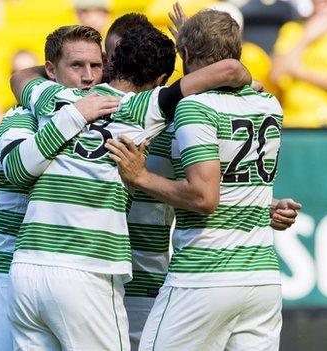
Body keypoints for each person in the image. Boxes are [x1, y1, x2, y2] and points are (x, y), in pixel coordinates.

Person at [7, 22, 254, 349]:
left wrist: (58, 62)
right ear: (158, 81)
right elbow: (229, 69)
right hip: (86, 269)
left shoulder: (57, 96)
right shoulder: (146, 108)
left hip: (26, 270)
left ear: (111, 65)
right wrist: (249, 85)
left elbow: (19, 77)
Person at [105, 10, 290, 350]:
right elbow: (232, 181)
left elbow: (205, 197)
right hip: (262, 279)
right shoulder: (269, 104)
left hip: (205, 273)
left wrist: (140, 176)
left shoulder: (194, 108)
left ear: (185, 55)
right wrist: (267, 205)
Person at [0, 25, 119, 351]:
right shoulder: (21, 116)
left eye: (96, 65)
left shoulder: (104, 117)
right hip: (1, 269)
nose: (89, 76)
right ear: (51, 70)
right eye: (76, 66)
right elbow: (19, 173)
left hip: (59, 271)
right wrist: (73, 115)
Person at [271, 0, 327, 127]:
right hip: (290, 122)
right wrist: (307, 37)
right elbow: (275, 74)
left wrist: (296, 70)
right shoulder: (292, 30)